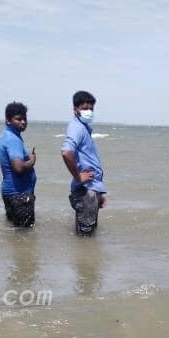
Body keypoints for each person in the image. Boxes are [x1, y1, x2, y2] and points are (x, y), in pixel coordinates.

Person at [62, 90, 106, 236]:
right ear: (75, 109)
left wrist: (99, 192)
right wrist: (78, 177)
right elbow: (66, 152)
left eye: (91, 109)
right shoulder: (77, 127)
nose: (89, 111)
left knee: (88, 238)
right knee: (85, 237)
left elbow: (89, 160)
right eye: (84, 108)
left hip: (91, 190)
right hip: (85, 191)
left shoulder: (84, 128)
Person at [0, 101, 37, 227]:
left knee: (17, 237)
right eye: (18, 119)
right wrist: (32, 160)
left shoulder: (7, 135)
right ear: (8, 121)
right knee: (25, 239)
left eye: (25, 119)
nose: (23, 122)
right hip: (19, 195)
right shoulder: (13, 139)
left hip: (13, 194)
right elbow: (18, 168)